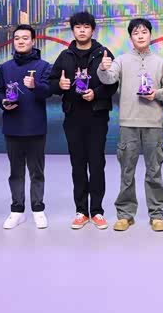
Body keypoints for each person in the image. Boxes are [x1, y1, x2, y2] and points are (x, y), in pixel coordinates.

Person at [98, 18, 163, 232]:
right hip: (128, 122)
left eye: (144, 32)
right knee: (127, 170)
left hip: (153, 123)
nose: (140, 36)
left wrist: (156, 94)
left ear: (150, 35)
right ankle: (125, 214)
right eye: (136, 33)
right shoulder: (121, 60)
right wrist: (102, 68)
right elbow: (108, 79)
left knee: (154, 170)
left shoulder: (161, 62)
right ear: (130, 37)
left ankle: (156, 215)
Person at [48, 11, 118, 230]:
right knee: (77, 165)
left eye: (86, 26)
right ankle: (81, 211)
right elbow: (52, 82)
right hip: (73, 116)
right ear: (73, 30)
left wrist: (96, 93)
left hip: (97, 116)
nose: (82, 30)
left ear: (92, 30)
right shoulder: (65, 56)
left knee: (96, 164)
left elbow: (113, 84)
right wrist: (59, 86)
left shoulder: (104, 54)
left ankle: (96, 211)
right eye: (77, 27)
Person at [0, 24, 52, 230]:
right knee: (15, 171)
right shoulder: (6, 67)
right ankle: (17, 210)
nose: (20, 41)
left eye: (25, 38)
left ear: (33, 41)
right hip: (12, 126)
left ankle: (38, 209)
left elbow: (48, 92)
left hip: (35, 126)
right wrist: (3, 102)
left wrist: (35, 86)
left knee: (37, 171)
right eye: (17, 38)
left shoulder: (44, 66)